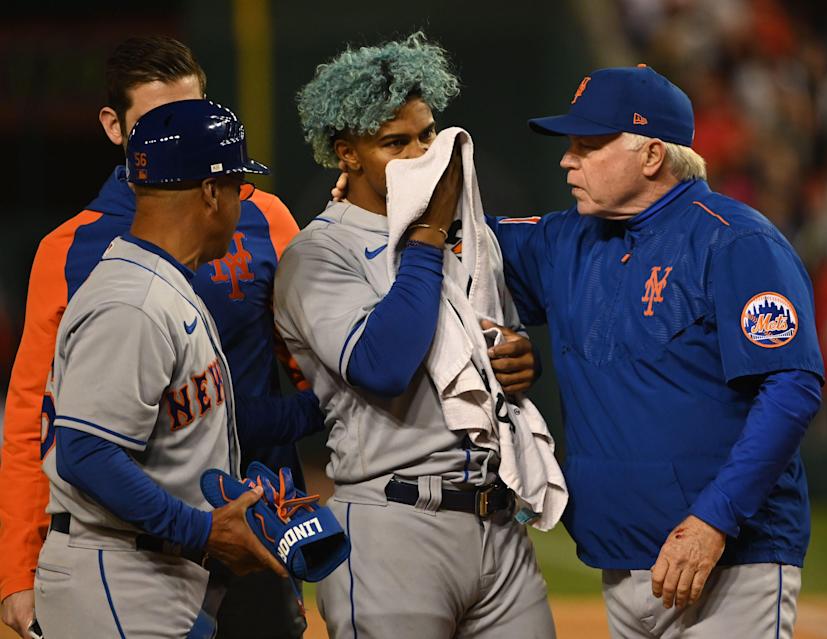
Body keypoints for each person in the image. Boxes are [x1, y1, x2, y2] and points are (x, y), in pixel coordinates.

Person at [487, 65, 824, 638]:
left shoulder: (735, 240)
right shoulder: (566, 238)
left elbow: (792, 388)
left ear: (651, 157)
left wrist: (713, 522)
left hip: (727, 563)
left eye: (588, 145)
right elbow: (455, 238)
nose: (568, 160)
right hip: (620, 559)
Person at [0, 37, 316, 639]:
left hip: (252, 531)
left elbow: (310, 371)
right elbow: (34, 419)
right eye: (159, 123)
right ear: (114, 128)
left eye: (196, 115)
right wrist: (16, 566)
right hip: (133, 543)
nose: (185, 138)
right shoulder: (72, 251)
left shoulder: (266, 218)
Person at [276, 33, 555, 638]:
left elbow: (485, 338)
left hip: (497, 521)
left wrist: (515, 358)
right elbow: (385, 364)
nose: (421, 152)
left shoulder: (465, 231)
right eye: (394, 142)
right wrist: (427, 233)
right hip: (394, 525)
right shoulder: (320, 253)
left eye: (427, 134)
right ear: (347, 153)